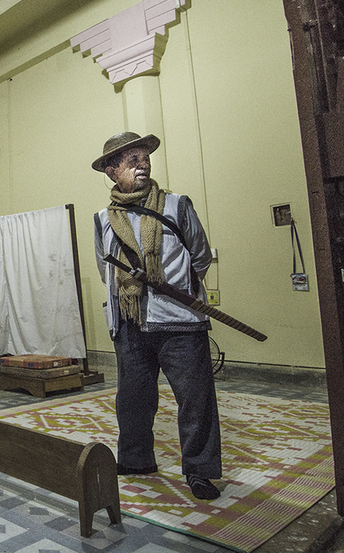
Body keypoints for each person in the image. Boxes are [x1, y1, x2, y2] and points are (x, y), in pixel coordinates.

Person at [92, 131, 221, 501]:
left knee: (195, 401)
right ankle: (136, 460)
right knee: (133, 399)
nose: (142, 165)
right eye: (131, 160)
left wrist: (178, 288)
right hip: (130, 323)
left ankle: (200, 471)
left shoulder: (177, 205)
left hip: (180, 321)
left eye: (144, 157)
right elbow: (105, 271)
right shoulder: (102, 220)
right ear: (112, 171)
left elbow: (200, 256)